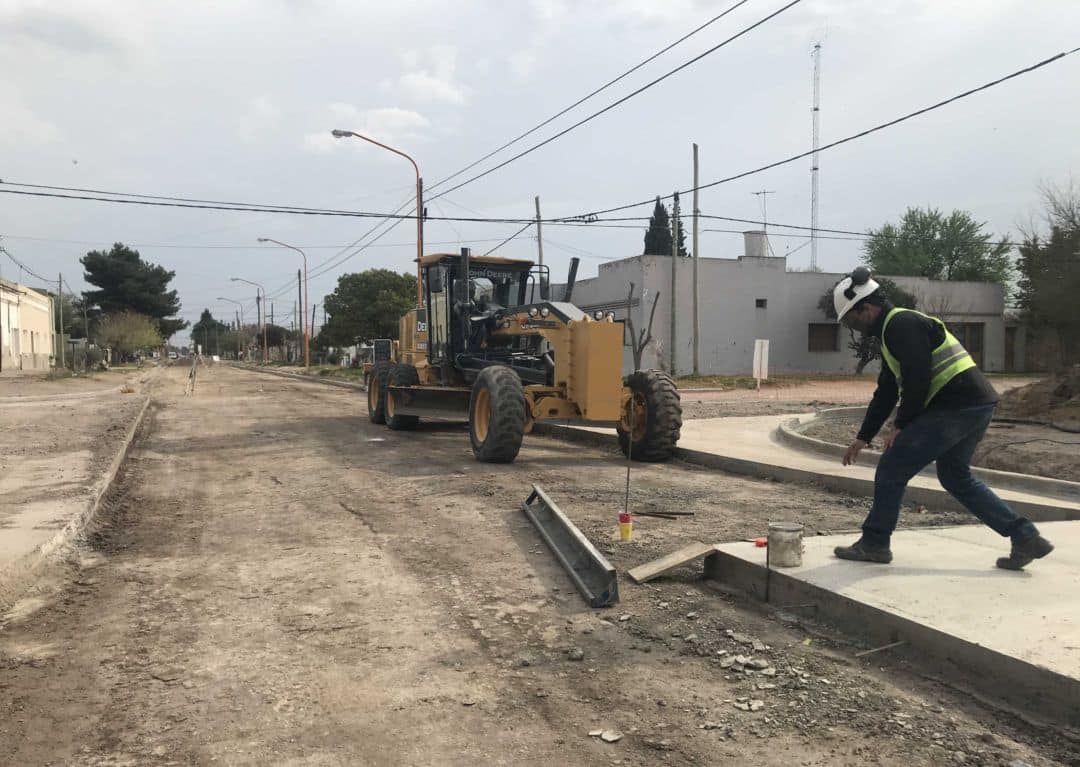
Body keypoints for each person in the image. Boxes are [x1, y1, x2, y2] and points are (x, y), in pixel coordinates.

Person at [831, 267, 1054, 570]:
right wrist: (863, 436)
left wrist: (901, 425)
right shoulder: (892, 332)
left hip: (956, 406)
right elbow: (886, 390)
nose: (853, 327)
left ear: (867, 309)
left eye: (852, 320)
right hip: (975, 405)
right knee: (955, 476)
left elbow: (917, 377)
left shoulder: (901, 324)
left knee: (892, 466)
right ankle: (1024, 536)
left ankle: (874, 543)